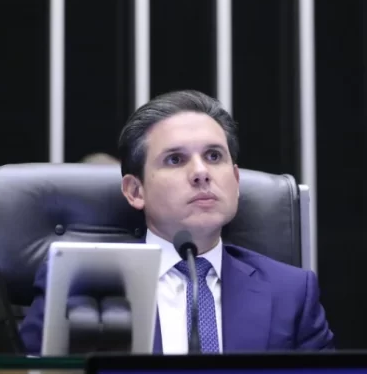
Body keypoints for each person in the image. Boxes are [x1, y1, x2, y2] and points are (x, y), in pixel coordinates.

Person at [20, 90, 334, 354]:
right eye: (175, 159)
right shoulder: (76, 284)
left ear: (236, 180)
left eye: (214, 156)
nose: (201, 172)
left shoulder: (291, 292)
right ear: (135, 191)